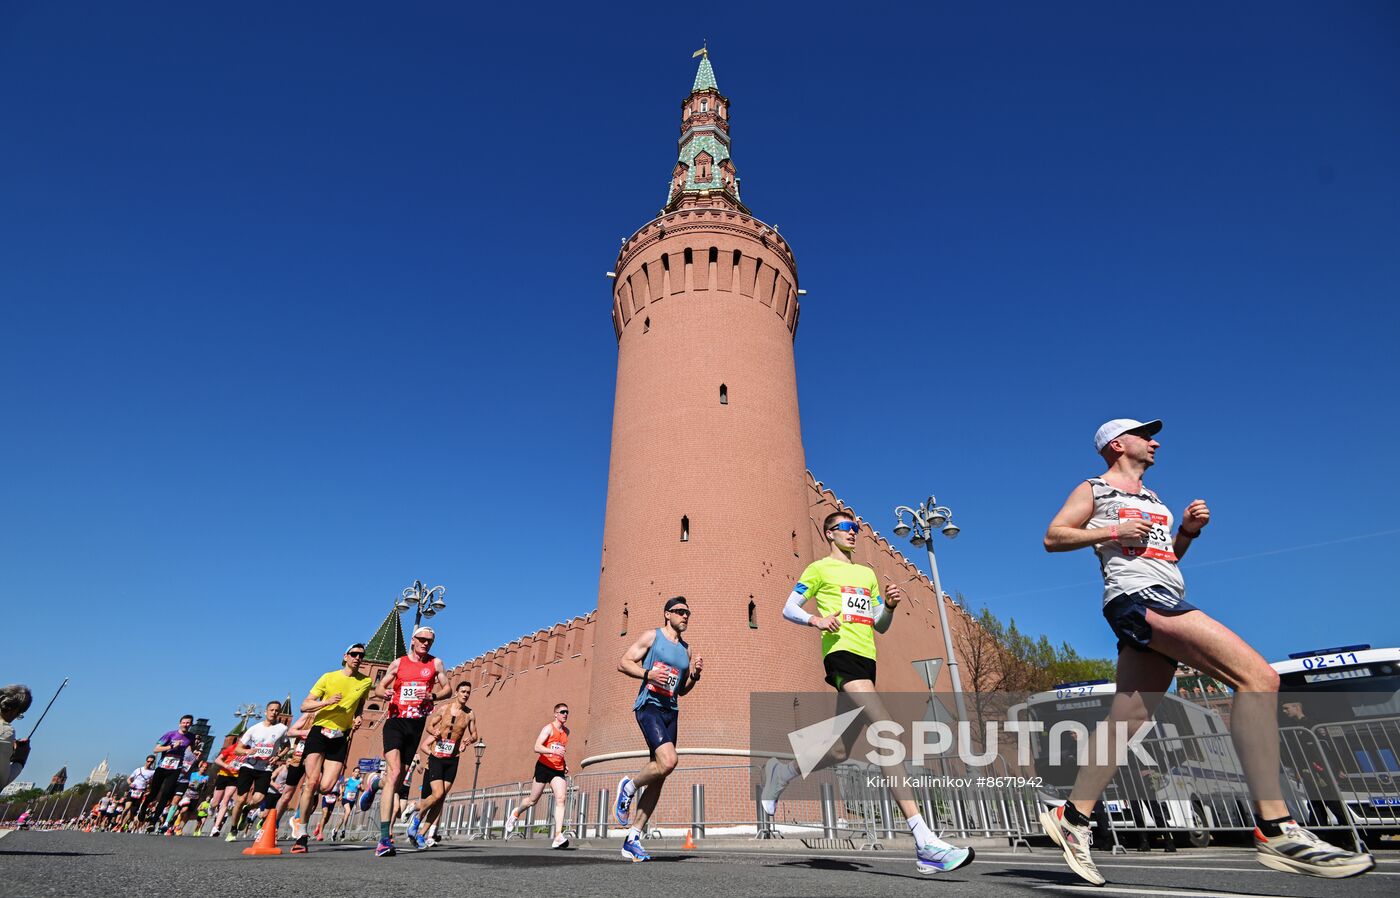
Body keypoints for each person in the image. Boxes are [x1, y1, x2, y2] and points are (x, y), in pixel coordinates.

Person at [1039, 417, 1373, 881]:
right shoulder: (1094, 489)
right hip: (1137, 599)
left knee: (1128, 718)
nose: (1154, 441)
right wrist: (1110, 533)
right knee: (1258, 677)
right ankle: (1275, 826)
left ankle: (1072, 816)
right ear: (1117, 444)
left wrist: (1188, 532)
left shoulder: (1153, 499)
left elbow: (1165, 557)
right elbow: (1054, 537)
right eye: (1144, 434)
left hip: (1163, 592)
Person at [763, 511, 974, 875]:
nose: (854, 534)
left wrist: (889, 605)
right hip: (841, 655)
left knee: (841, 749)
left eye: (856, 529)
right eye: (847, 528)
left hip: (867, 658)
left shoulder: (866, 574)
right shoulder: (818, 570)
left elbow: (880, 625)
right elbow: (788, 607)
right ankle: (924, 840)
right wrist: (817, 620)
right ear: (830, 533)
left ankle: (783, 773)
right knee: (887, 732)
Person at [613, 596, 703, 862]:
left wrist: (695, 677)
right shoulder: (652, 637)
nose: (685, 616)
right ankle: (629, 786)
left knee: (662, 773)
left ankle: (633, 839)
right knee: (669, 760)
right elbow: (623, 662)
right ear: (667, 614)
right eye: (680, 612)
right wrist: (647, 674)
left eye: (688, 612)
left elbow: (682, 690)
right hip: (649, 706)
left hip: (670, 711)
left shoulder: (686, 650)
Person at [369, 625, 450, 857]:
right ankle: (384, 838)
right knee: (395, 773)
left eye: (430, 641)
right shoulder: (398, 663)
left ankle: (375, 784)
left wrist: (432, 695)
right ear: (413, 640)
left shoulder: (436, 664)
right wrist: (382, 692)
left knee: (396, 778)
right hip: (395, 721)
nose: (426, 643)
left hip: (416, 725)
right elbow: (379, 687)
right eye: (422, 639)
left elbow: (448, 688)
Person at [289, 644, 373, 853]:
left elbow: (360, 703)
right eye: (354, 654)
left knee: (326, 787)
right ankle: (302, 831)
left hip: (340, 736)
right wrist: (326, 702)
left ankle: (302, 815)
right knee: (311, 782)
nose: (357, 658)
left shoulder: (366, 681)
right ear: (345, 656)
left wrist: (358, 716)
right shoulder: (328, 677)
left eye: (361, 656)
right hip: (319, 732)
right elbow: (304, 705)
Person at [413, 681, 480, 849]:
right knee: (437, 793)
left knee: (441, 799)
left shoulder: (470, 714)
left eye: (468, 692)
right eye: (463, 691)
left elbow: (475, 735)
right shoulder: (444, 709)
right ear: (456, 692)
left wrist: (467, 742)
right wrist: (433, 731)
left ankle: (421, 835)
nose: (465, 694)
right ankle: (416, 816)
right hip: (437, 756)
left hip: (453, 758)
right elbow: (430, 725)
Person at [505, 701, 570, 848]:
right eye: (562, 712)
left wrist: (564, 764)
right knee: (532, 801)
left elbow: (560, 750)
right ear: (556, 714)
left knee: (561, 798)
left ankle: (558, 835)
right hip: (543, 767)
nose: (565, 714)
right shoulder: (548, 728)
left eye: (567, 712)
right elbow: (537, 747)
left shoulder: (566, 732)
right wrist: (553, 751)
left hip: (557, 769)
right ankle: (516, 812)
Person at [223, 701, 290, 842]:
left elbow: (286, 746)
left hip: (265, 768)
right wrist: (248, 751)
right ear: (266, 712)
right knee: (240, 799)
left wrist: (278, 756)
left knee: (259, 799)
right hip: (248, 766)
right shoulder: (254, 728)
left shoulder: (282, 729)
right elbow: (237, 749)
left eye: (277, 710)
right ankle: (233, 829)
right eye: (271, 710)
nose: (274, 712)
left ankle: (247, 810)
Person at [141, 713, 196, 827]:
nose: (186, 725)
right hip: (162, 767)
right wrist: (171, 747)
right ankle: (143, 808)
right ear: (180, 723)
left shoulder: (191, 736)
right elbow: (156, 749)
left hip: (176, 768)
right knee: (154, 793)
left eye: (188, 723)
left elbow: (190, 748)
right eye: (184, 722)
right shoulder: (170, 734)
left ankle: (153, 821)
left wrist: (194, 752)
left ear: (191, 724)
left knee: (166, 794)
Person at [0, 685, 33, 793]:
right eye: (19, 713)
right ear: (13, 710)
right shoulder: (6, 731)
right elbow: (2, 780)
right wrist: (19, 759)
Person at [207, 736, 242, 836]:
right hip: (223, 775)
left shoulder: (247, 750)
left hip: (235, 777)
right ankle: (212, 806)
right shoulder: (232, 748)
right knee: (215, 802)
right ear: (238, 739)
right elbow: (218, 760)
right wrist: (226, 766)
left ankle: (216, 827)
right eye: (241, 739)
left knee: (225, 801)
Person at [122, 756, 158, 831]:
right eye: (148, 761)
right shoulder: (138, 770)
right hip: (133, 791)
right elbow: (129, 779)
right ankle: (120, 822)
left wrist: (149, 787)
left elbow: (152, 783)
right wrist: (130, 784)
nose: (149, 763)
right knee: (126, 808)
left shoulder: (153, 772)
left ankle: (124, 825)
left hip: (141, 793)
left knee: (132, 813)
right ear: (146, 761)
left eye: (151, 762)